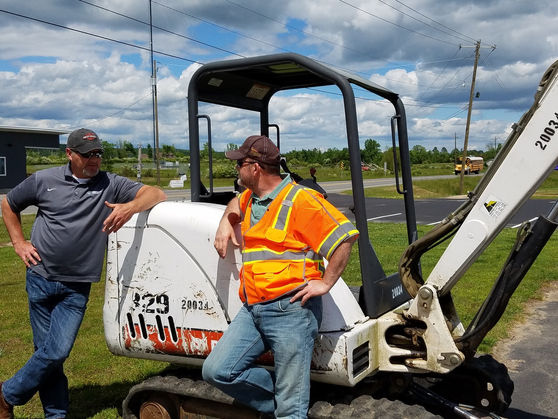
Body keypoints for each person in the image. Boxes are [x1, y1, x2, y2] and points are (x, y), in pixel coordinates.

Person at [0, 128, 166, 419]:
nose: (94, 159)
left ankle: (6, 395)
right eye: (87, 154)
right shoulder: (44, 180)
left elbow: (156, 193)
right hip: (40, 277)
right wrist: (18, 242)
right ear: (69, 154)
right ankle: (56, 415)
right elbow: (8, 203)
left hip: (76, 287)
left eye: (98, 153)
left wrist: (130, 207)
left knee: (56, 352)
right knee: (47, 354)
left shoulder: (110, 184)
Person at [202, 135, 358, 418]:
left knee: (290, 409)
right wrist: (227, 220)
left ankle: (290, 404)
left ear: (255, 168)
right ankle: (286, 400)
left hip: (291, 310)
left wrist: (325, 283)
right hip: (253, 308)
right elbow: (236, 203)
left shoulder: (301, 199)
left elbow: (345, 236)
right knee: (218, 370)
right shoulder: (250, 197)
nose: (235, 169)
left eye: (239, 164)